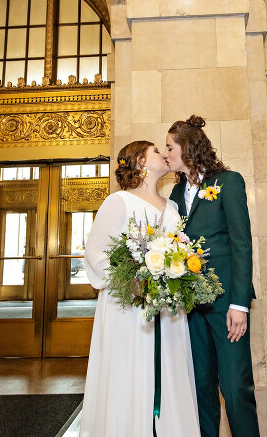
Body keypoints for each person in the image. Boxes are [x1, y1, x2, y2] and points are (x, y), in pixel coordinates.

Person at [79, 140, 200, 437]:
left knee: (170, 371)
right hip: (129, 310)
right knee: (130, 372)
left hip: (168, 309)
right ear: (141, 162)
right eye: (157, 151)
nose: (164, 154)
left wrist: (178, 272)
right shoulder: (118, 201)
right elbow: (95, 253)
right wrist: (131, 281)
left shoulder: (172, 206)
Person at [166, 116, 259, 437]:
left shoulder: (228, 182)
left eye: (169, 147)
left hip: (226, 305)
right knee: (201, 387)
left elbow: (242, 245)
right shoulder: (176, 194)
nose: (166, 154)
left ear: (187, 148)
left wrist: (240, 304)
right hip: (191, 307)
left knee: (236, 388)